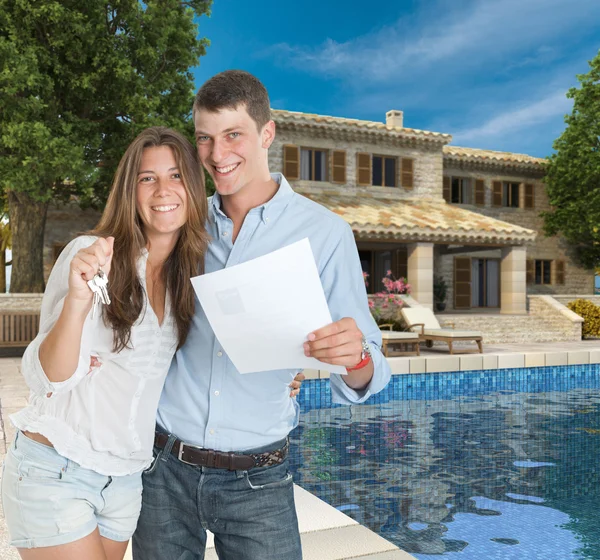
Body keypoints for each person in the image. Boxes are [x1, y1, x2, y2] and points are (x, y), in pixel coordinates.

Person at [133, 70, 392, 560]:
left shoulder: (326, 234)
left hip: (258, 480)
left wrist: (354, 357)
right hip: (161, 469)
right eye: (205, 138)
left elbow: (370, 370)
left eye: (234, 134)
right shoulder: (181, 223)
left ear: (266, 134)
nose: (216, 153)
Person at [0, 127, 212, 560]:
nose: (163, 190)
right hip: (57, 467)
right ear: (129, 190)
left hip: (124, 479)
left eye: (175, 176)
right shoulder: (90, 255)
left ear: (193, 187)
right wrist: (78, 302)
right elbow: (48, 379)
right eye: (147, 178)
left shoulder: (185, 282)